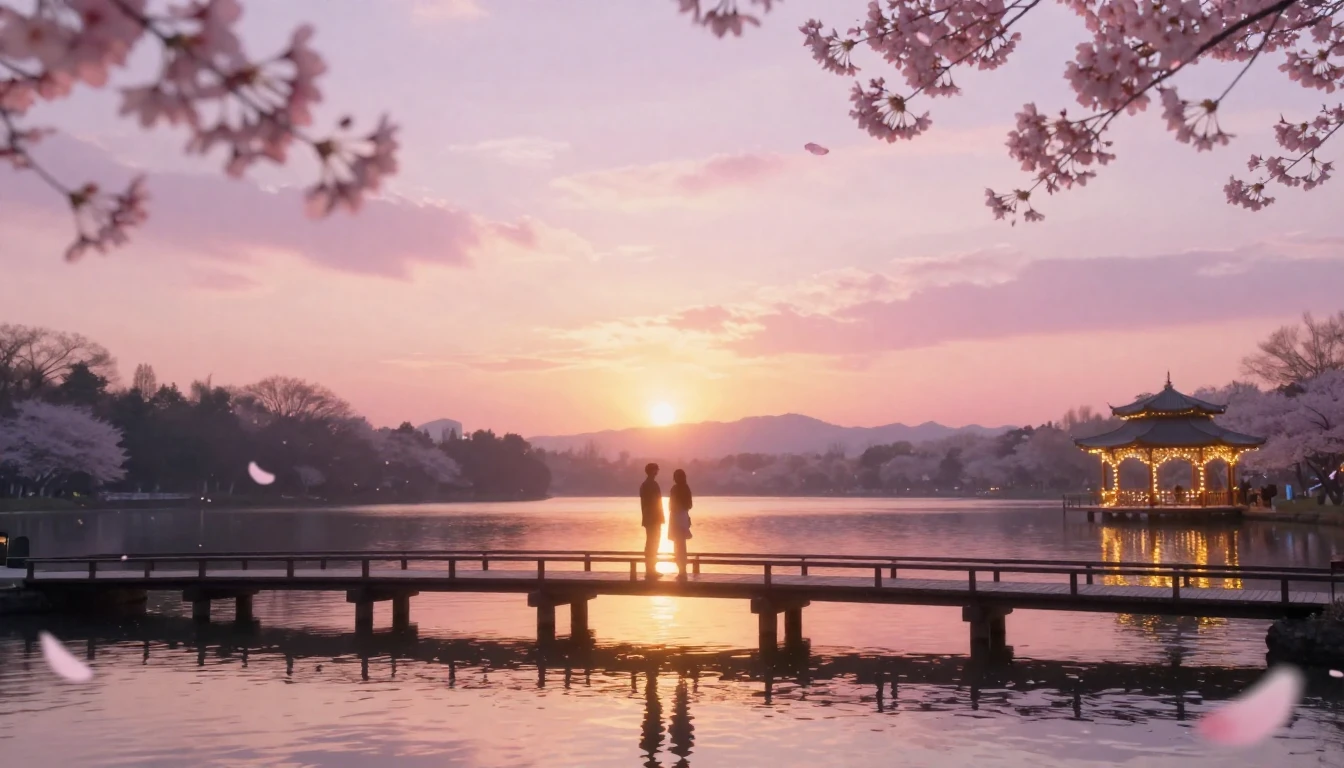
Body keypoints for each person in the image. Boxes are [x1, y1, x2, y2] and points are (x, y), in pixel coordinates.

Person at [668, 469, 694, 581]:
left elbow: (671, 506)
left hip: (677, 517)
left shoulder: (675, 489)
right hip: (682, 516)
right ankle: (682, 570)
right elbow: (689, 505)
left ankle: (681, 570)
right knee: (681, 544)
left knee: (678, 545)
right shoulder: (686, 488)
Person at [640, 463, 664, 579]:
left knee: (650, 543)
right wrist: (660, 518)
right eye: (656, 470)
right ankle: (651, 570)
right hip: (654, 518)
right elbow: (656, 503)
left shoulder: (644, 485)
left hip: (648, 517)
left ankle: (650, 569)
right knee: (653, 543)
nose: (657, 472)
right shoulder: (652, 485)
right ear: (653, 471)